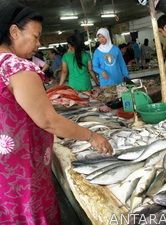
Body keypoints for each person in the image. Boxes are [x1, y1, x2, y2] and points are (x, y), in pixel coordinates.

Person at [0, 1, 113, 224]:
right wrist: (92, 136)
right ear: (14, 32)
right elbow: (48, 120)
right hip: (25, 167)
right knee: (32, 214)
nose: (38, 43)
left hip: (7, 166)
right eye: (35, 36)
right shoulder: (17, 67)